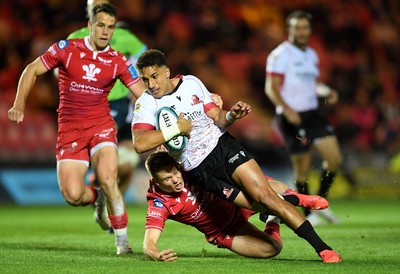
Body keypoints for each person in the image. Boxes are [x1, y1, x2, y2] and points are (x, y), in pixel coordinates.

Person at [131, 49, 342, 263]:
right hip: (201, 169)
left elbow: (217, 117)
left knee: (266, 196)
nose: (151, 84)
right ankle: (294, 201)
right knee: (261, 204)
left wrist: (232, 115)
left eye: (154, 76)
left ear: (166, 72)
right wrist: (175, 129)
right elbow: (139, 144)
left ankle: (323, 249)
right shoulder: (146, 103)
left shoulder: (191, 83)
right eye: (145, 79)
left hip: (223, 146)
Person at [8, 3, 145, 254]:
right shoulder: (67, 49)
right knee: (73, 195)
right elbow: (31, 69)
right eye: (101, 25)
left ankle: (123, 244)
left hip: (102, 126)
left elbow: (143, 96)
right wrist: (19, 104)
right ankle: (98, 197)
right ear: (90, 26)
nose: (105, 32)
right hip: (70, 129)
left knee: (108, 178)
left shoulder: (117, 60)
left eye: (111, 27)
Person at [143, 150, 330, 261]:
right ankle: (273, 220)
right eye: (167, 179)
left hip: (235, 198)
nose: (176, 180)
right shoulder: (159, 203)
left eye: (175, 173)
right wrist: (156, 254)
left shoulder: (183, 163)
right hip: (226, 230)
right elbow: (148, 243)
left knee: (279, 188)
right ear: (156, 182)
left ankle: (300, 200)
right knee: (272, 249)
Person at [265, 10, 343, 226]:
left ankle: (320, 201)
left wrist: (326, 91)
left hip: (313, 114)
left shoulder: (311, 54)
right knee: (303, 168)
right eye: (296, 27)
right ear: (289, 30)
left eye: (305, 27)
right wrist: (286, 109)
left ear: (309, 30)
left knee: (334, 159)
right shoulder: (280, 55)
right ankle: (309, 211)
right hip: (292, 116)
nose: (301, 31)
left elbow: (309, 85)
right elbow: (271, 88)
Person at [67, 0, 146, 212]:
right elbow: (60, 68)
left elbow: (144, 54)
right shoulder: (74, 38)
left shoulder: (123, 36)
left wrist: (136, 82)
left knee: (128, 166)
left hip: (120, 103)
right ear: (88, 11)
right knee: (106, 153)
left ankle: (110, 203)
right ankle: (105, 195)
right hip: (90, 105)